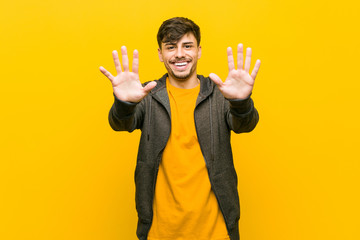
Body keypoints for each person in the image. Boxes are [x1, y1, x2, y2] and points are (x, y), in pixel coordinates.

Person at [99, 17, 261, 240]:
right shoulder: (148, 95)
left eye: (187, 46)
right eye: (171, 47)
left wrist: (241, 102)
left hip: (216, 232)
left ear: (199, 50)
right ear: (160, 54)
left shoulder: (220, 95)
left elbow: (245, 124)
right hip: (160, 232)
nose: (179, 54)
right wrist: (125, 103)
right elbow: (120, 123)